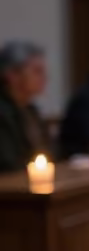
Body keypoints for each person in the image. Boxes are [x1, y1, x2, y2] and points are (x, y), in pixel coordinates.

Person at [0, 40, 50, 172]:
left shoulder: (31, 110)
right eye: (37, 71)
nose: (45, 77)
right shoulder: (3, 114)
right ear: (12, 75)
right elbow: (9, 164)